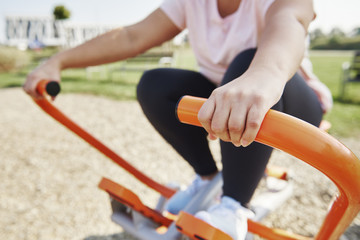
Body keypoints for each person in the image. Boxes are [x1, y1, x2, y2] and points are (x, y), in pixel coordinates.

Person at [23, 0, 333, 239]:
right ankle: (209, 179)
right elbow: (132, 36)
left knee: (247, 60)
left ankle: (233, 207)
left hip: (290, 98)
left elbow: (290, 19)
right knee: (156, 84)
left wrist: (264, 75)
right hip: (226, 92)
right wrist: (57, 61)